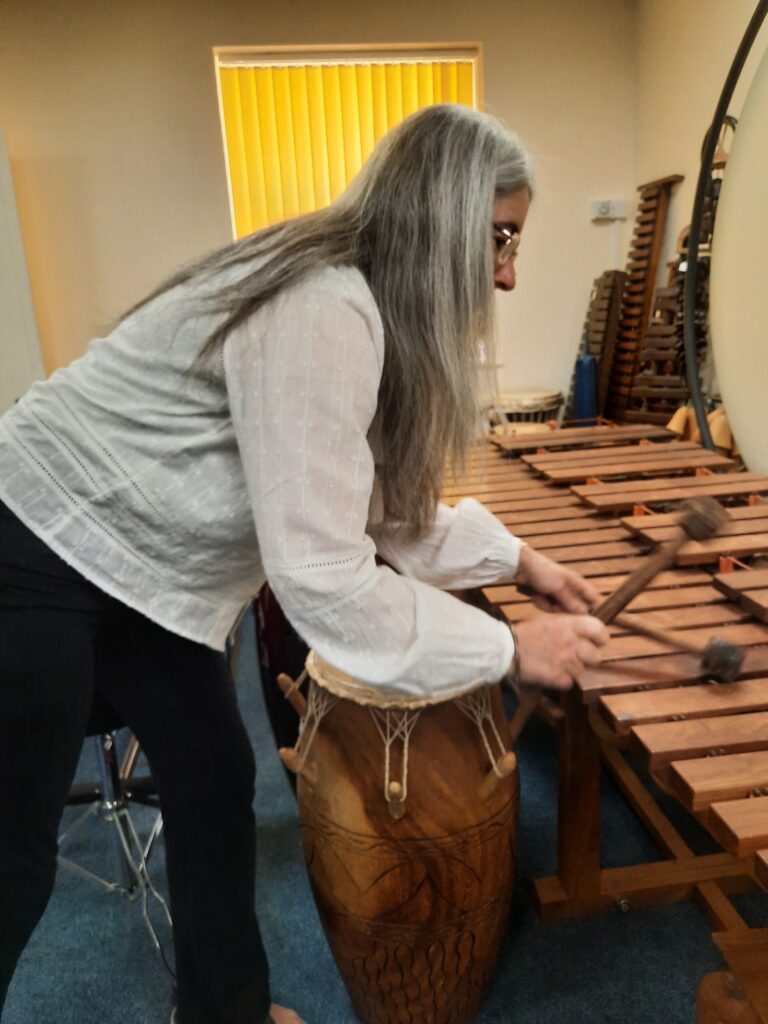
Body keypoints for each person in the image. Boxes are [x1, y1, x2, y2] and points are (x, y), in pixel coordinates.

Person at [0, 103, 608, 1024]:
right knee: (12, 853)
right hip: (40, 533)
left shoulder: (363, 309)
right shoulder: (322, 303)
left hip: (151, 574)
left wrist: (521, 563)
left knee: (212, 780)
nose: (510, 274)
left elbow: (374, 511)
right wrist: (511, 651)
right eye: (499, 239)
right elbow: (324, 575)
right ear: (439, 224)